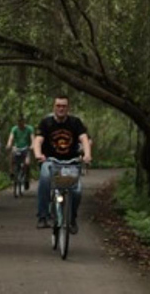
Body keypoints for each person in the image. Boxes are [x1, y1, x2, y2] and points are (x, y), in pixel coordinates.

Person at [33, 94, 92, 234]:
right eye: (58, 106)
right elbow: (38, 141)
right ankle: (43, 216)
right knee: (45, 177)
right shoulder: (46, 123)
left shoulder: (75, 122)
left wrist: (88, 155)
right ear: (54, 107)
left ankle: (71, 219)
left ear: (68, 108)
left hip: (71, 163)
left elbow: (84, 139)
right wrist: (38, 154)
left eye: (64, 106)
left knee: (77, 192)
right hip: (51, 161)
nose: (61, 109)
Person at [6, 115, 34, 190]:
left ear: (24, 121)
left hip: (26, 148)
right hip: (17, 148)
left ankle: (26, 179)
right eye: (19, 121)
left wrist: (32, 146)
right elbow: (11, 138)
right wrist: (9, 145)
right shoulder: (14, 129)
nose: (20, 123)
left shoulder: (29, 129)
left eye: (21, 121)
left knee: (27, 163)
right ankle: (11, 172)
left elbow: (32, 139)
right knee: (11, 156)